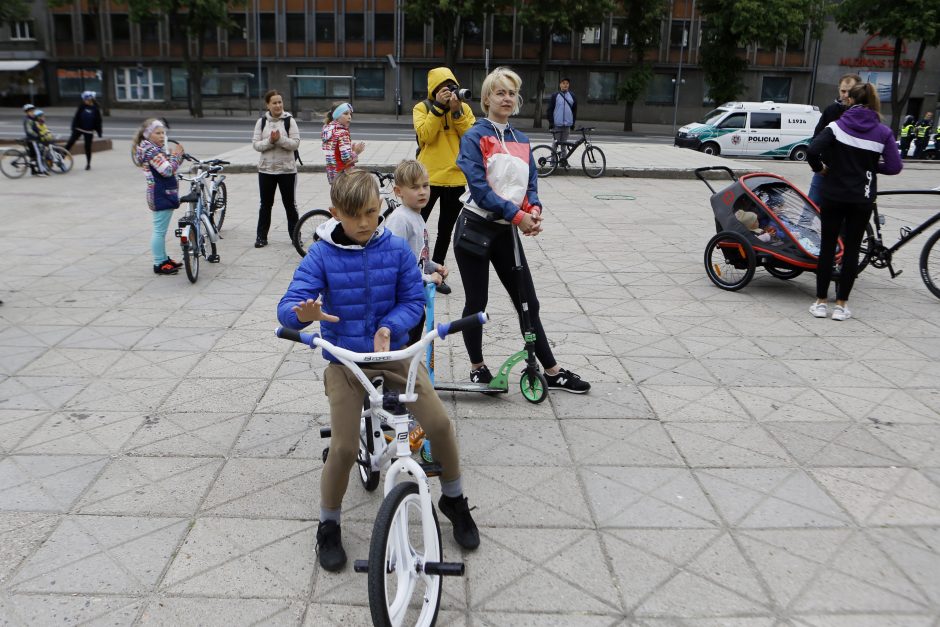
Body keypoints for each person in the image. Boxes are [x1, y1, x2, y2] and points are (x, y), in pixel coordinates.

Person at [277, 169, 480, 572]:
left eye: (371, 213)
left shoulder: (395, 250)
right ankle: (328, 524)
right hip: (346, 361)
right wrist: (301, 315)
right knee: (344, 447)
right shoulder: (321, 254)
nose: (365, 223)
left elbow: (412, 300)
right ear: (335, 213)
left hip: (393, 353)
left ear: (380, 208)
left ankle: (453, 498)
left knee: (439, 423)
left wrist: (390, 325)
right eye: (354, 216)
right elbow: (290, 304)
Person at [453, 67, 591, 394]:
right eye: (500, 92)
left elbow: (529, 183)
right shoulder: (475, 136)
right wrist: (518, 216)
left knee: (528, 302)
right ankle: (477, 366)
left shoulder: (521, 139)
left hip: (506, 230)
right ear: (487, 98)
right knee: (477, 303)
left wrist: (534, 208)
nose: (507, 98)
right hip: (474, 229)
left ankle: (552, 371)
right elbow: (482, 190)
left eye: (512, 93)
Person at [807, 82, 902, 321]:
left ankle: (820, 303)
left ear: (850, 100)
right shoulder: (882, 132)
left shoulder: (836, 126)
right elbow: (894, 166)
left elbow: (812, 151)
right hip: (862, 198)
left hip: (833, 195)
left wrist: (821, 169)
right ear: (874, 103)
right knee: (851, 250)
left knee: (828, 247)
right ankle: (841, 306)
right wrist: (871, 166)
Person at [414, 67, 476, 274]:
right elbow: (425, 136)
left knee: (445, 231)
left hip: (456, 178)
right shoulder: (422, 108)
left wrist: (457, 111)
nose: (448, 92)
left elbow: (470, 138)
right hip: (428, 178)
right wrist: (438, 108)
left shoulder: (464, 109)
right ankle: (412, 269)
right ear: (434, 90)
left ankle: (436, 271)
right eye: (443, 88)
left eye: (451, 87)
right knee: (416, 226)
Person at [384, 159, 451, 345]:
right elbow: (394, 263)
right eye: (414, 187)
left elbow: (417, 257)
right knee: (404, 343)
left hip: (414, 295)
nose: (422, 191)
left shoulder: (416, 215)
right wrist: (428, 279)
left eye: (425, 185)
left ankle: (407, 369)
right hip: (402, 299)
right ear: (398, 192)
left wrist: (433, 266)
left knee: (413, 339)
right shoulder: (400, 219)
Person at [133, 118, 186, 275]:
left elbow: (167, 166)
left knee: (160, 230)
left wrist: (174, 156)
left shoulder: (153, 149)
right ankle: (158, 263)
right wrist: (177, 156)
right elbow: (167, 170)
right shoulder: (152, 151)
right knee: (159, 231)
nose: (162, 136)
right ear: (148, 134)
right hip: (160, 194)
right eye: (158, 133)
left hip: (162, 193)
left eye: (163, 133)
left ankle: (163, 259)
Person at [251, 89, 300, 248]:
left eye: (280, 102)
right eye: (274, 103)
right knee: (265, 205)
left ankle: (295, 236)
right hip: (266, 171)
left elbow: (295, 143)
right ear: (268, 105)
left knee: (290, 205)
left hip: (287, 171)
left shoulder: (289, 120)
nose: (278, 105)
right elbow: (256, 145)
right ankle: (261, 237)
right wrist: (270, 141)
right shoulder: (261, 122)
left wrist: (279, 139)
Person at [807, 73, 860, 205]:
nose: (846, 95)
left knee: (842, 216)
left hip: (851, 175)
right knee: (809, 209)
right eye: (843, 91)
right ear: (838, 90)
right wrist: (819, 167)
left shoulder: (865, 114)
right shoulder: (830, 111)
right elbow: (815, 139)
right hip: (827, 170)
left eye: (850, 91)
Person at [321, 102, 364, 184]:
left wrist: (350, 150)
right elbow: (346, 159)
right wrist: (356, 152)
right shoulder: (342, 133)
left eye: (350, 114)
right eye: (345, 114)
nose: (349, 117)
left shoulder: (328, 130)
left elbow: (336, 152)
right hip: (344, 174)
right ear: (337, 116)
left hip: (333, 173)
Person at [65, 91, 102, 171]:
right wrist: (73, 127)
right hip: (79, 128)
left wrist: (99, 132)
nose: (85, 101)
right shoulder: (82, 106)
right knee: (71, 142)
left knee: (87, 147)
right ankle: (62, 155)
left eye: (86, 100)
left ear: (90, 99)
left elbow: (98, 121)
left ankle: (88, 164)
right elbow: (76, 117)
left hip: (89, 131)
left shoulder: (95, 108)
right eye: (84, 100)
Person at [546, 77, 577, 166]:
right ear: (560, 85)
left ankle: (563, 161)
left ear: (569, 85)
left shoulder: (572, 96)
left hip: (567, 124)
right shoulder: (555, 96)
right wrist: (551, 123)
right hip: (557, 124)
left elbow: (574, 111)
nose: (565, 85)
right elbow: (550, 110)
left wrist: (573, 123)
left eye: (567, 83)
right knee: (555, 144)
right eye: (563, 83)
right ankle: (553, 162)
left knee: (564, 144)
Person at [22, 104, 48, 176]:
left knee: (33, 156)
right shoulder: (28, 120)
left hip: (32, 139)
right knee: (38, 154)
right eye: (31, 111)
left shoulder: (32, 119)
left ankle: (33, 171)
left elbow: (37, 125)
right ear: (27, 112)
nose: (32, 112)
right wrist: (37, 135)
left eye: (33, 111)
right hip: (32, 140)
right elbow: (29, 131)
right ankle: (40, 171)